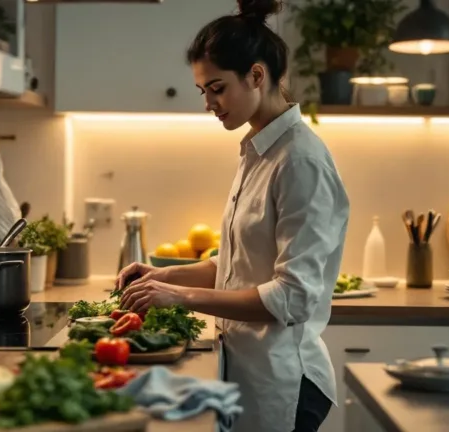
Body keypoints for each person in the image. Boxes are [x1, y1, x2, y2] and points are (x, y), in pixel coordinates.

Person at [115, 1, 350, 431]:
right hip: (247, 372)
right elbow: (238, 268)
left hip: (283, 384)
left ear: (257, 75)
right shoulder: (259, 150)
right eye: (204, 91)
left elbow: (292, 296)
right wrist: (163, 276)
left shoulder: (301, 160)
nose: (209, 103)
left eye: (217, 88)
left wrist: (181, 298)